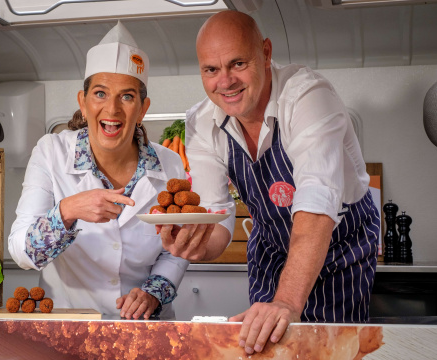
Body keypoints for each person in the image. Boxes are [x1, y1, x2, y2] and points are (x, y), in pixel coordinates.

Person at [159, 10, 380, 354]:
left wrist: (288, 301)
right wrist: (194, 245)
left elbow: (317, 206)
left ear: (265, 53)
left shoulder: (308, 98)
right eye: (211, 70)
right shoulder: (202, 122)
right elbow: (217, 221)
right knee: (265, 346)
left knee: (328, 349)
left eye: (237, 64)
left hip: (339, 248)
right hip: (272, 249)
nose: (225, 81)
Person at [9, 21, 189, 320]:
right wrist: (67, 210)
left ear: (143, 108)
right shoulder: (51, 152)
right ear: (83, 102)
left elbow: (176, 248)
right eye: (101, 94)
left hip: (144, 326)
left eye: (127, 96)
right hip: (70, 326)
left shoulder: (169, 164)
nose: (113, 109)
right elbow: (21, 252)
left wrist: (154, 293)